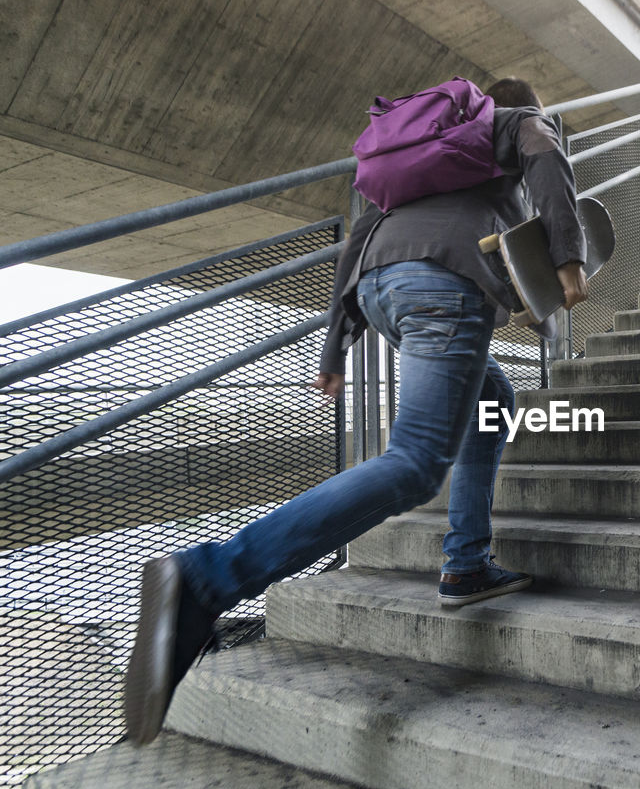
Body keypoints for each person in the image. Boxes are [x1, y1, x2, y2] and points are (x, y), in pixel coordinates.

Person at [123, 77, 588, 745]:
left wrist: (337, 344)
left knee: (494, 395)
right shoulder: (514, 121)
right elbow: (546, 156)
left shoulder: (427, 150)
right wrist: (569, 258)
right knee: (415, 464)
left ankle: (466, 561)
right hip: (442, 285)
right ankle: (205, 578)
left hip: (382, 287)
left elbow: (361, 229)